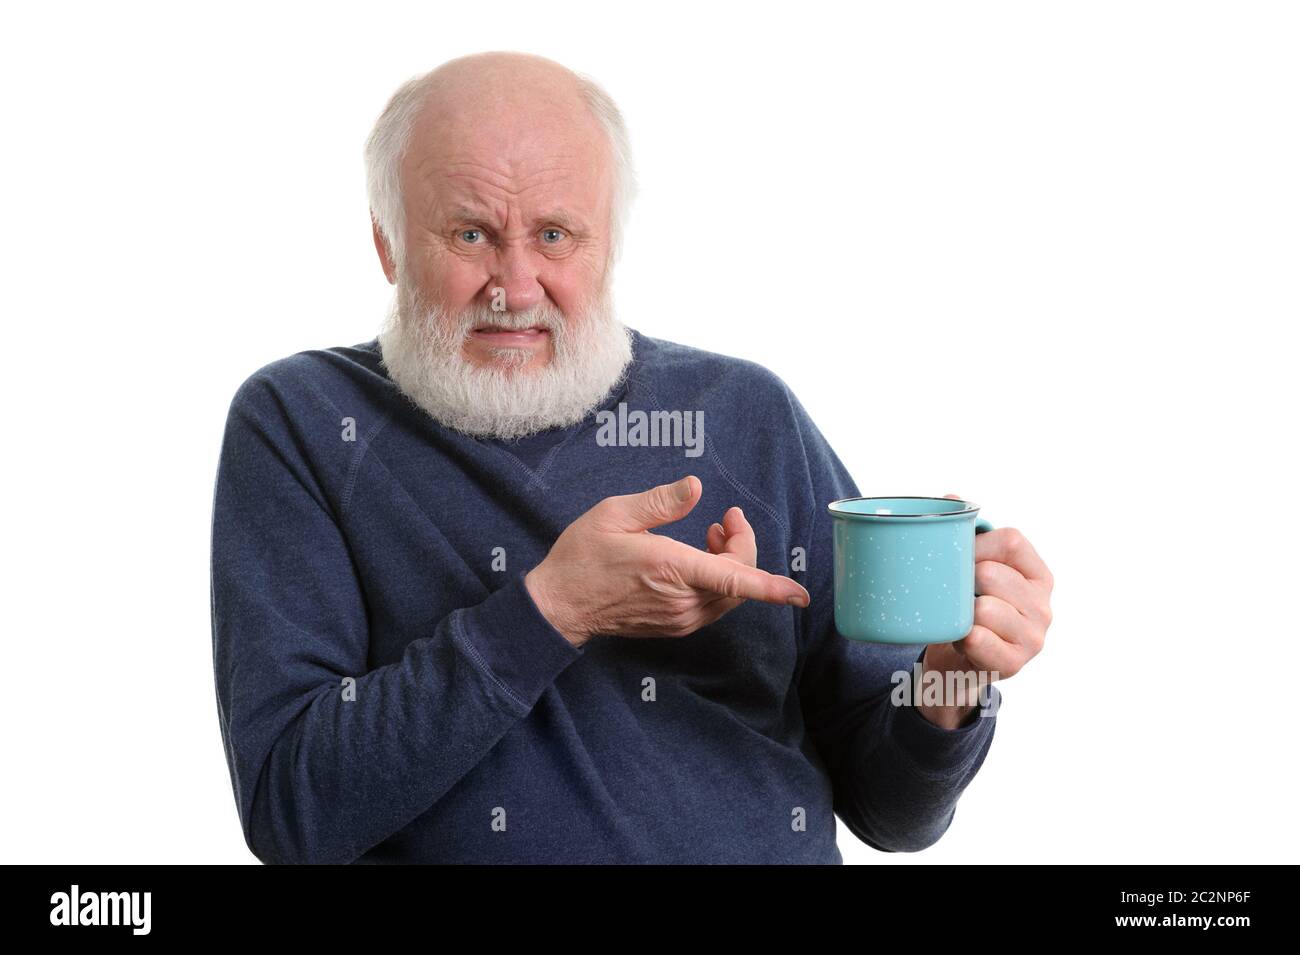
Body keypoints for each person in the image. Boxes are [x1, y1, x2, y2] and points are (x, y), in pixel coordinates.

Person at [209, 51, 1054, 864]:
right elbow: (294, 812)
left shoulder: (746, 412)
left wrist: (953, 678)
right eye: (470, 233)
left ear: (606, 244)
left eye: (553, 234)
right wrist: (553, 609)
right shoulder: (303, 420)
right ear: (389, 245)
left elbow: (894, 813)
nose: (516, 283)